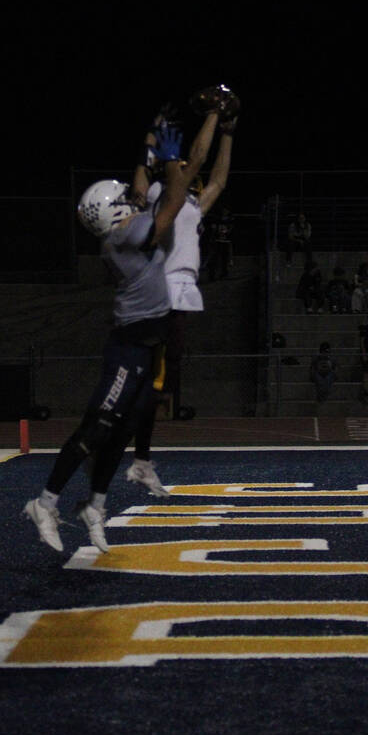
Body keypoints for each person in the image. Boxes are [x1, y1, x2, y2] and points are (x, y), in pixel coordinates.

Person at [22, 110, 215, 552]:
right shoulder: (130, 236)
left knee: (124, 429)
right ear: (115, 214)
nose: (133, 201)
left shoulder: (121, 232)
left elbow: (145, 194)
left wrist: (148, 152)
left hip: (147, 346)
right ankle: (45, 501)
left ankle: (94, 505)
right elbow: (169, 200)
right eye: (124, 202)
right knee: (98, 427)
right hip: (129, 349)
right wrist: (169, 161)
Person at [125, 96, 236, 496]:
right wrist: (212, 113)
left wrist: (227, 134)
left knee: (158, 387)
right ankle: (125, 451)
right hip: (160, 293)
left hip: (181, 296)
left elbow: (219, 179)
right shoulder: (160, 193)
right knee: (145, 385)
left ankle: (140, 458)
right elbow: (194, 158)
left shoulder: (189, 202)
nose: (190, 168)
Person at [204, 207, 233, 282]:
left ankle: (224, 274)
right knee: (214, 259)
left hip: (226, 241)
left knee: (225, 259)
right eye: (223, 210)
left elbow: (231, 230)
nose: (224, 212)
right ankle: (212, 275)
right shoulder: (217, 220)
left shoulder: (230, 220)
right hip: (217, 241)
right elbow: (212, 229)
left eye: (226, 210)